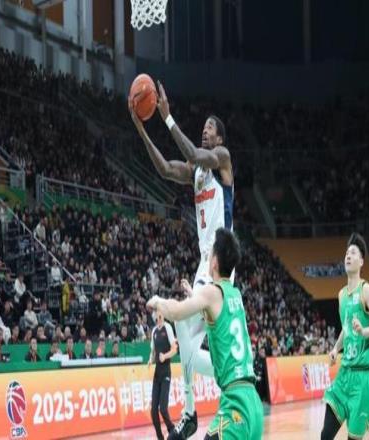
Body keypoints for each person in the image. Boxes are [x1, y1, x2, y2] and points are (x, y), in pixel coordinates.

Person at [131, 82, 234, 438]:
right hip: (204, 262)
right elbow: (164, 169)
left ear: (219, 137)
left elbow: (192, 151)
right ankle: (194, 410)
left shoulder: (222, 160)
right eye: (203, 127)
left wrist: (167, 117)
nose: (205, 130)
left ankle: (228, 384)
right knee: (184, 339)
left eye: (210, 127)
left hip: (221, 263)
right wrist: (141, 128)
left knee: (183, 325)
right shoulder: (196, 172)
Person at [147, 228, 263, 439]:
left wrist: (157, 301)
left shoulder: (212, 292)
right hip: (253, 403)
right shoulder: (235, 294)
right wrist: (194, 295)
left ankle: (189, 411)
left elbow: (176, 312)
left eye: (210, 255)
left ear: (215, 262)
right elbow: (214, 313)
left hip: (236, 405)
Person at [321, 233, 369, 440]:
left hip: (363, 379)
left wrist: (364, 331)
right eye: (347, 253)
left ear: (361, 261)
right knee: (325, 435)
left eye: (353, 253)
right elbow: (346, 328)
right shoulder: (341, 295)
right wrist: (335, 348)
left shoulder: (366, 290)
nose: (348, 256)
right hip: (344, 376)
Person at [149, 311, 177, 440]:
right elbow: (153, 351)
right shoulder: (154, 331)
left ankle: (173, 431)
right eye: (157, 316)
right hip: (157, 374)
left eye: (160, 315)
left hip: (166, 372)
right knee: (153, 411)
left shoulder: (168, 327)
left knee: (163, 408)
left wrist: (165, 356)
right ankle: (160, 437)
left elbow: (174, 349)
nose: (158, 318)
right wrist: (150, 360)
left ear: (163, 315)